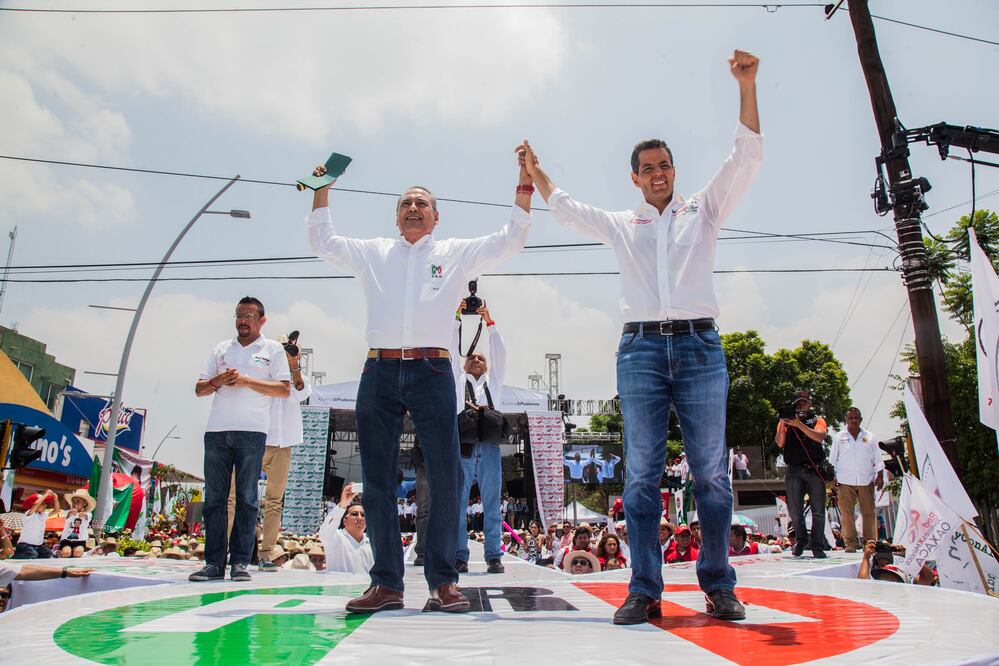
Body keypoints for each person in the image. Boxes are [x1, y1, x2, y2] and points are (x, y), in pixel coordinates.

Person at [518, 48, 761, 625]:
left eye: (665, 165)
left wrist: (746, 86)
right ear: (635, 177)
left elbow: (745, 158)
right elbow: (566, 208)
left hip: (701, 348)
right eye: (648, 167)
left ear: (675, 170)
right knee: (642, 475)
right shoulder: (624, 225)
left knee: (710, 472)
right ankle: (645, 588)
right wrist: (536, 170)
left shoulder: (704, 209)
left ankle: (718, 584)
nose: (658, 173)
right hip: (641, 351)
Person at [307, 153, 532, 614]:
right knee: (377, 479)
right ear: (395, 217)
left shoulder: (454, 254)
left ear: (436, 216)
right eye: (406, 203)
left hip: (433, 371)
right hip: (380, 369)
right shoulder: (374, 252)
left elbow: (511, 239)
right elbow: (323, 241)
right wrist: (322, 188)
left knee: (447, 476)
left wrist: (524, 187)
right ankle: (386, 584)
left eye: (422, 203)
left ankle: (443, 583)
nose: (413, 208)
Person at [191, 296, 291, 583]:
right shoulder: (221, 349)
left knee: (247, 499)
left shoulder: (272, 349)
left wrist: (247, 381)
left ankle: (240, 562)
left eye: (249, 316)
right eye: (239, 315)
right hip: (217, 431)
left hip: (252, 432)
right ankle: (213, 563)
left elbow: (284, 389)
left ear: (262, 320)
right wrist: (218, 381)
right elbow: (199, 389)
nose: (243, 321)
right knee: (215, 499)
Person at [228, 332, 313, 573]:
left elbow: (301, 391)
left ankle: (266, 553)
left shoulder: (297, 376)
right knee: (233, 497)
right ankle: (224, 548)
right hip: (253, 437)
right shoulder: (260, 370)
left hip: (282, 443)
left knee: (274, 501)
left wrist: (294, 364)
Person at [453, 302, 509, 575]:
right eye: (472, 357)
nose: (476, 360)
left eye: (481, 358)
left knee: (492, 504)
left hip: (488, 447)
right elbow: (449, 349)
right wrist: (456, 316)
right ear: (464, 363)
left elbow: (500, 354)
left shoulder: (493, 383)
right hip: (463, 447)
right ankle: (459, 555)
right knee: (457, 504)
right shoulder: (456, 380)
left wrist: (489, 322)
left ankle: (493, 556)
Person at [775, 390, 829, 559]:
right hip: (794, 470)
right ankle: (801, 540)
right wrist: (783, 422)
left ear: (809, 404)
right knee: (794, 509)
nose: (800, 406)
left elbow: (819, 436)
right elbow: (780, 443)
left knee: (818, 510)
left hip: (814, 469)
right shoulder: (786, 421)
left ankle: (817, 545)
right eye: (797, 404)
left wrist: (799, 425)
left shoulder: (817, 419)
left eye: (804, 403)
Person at [829, 407, 885, 553]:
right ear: (846, 420)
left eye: (856, 418)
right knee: (847, 513)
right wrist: (832, 477)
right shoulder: (839, 437)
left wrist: (880, 475)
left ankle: (869, 543)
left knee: (868, 512)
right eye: (851, 418)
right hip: (844, 480)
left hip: (866, 479)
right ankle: (850, 544)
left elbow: (878, 459)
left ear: (860, 419)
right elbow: (833, 459)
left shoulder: (870, 437)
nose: (854, 420)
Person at [317, 483, 375, 575]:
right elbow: (325, 531)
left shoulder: (372, 544)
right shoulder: (336, 539)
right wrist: (343, 504)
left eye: (363, 515)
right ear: (344, 520)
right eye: (354, 514)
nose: (359, 518)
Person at [13, 492, 56, 559]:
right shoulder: (29, 513)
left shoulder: (43, 515)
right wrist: (46, 494)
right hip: (24, 545)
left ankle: (34, 556)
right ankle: (13, 556)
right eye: (43, 504)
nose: (45, 506)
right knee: (32, 554)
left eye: (45, 504)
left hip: (38, 546)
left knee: (49, 554)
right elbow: (36, 504)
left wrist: (56, 498)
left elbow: (56, 511)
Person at [58, 490, 95, 559]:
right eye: (73, 501)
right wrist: (70, 513)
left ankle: (73, 551)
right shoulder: (67, 512)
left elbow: (86, 517)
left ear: (84, 504)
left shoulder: (88, 514)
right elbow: (65, 516)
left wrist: (81, 514)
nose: (75, 503)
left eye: (78, 501)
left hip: (80, 541)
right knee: (66, 553)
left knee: (77, 553)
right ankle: (58, 551)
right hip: (66, 540)